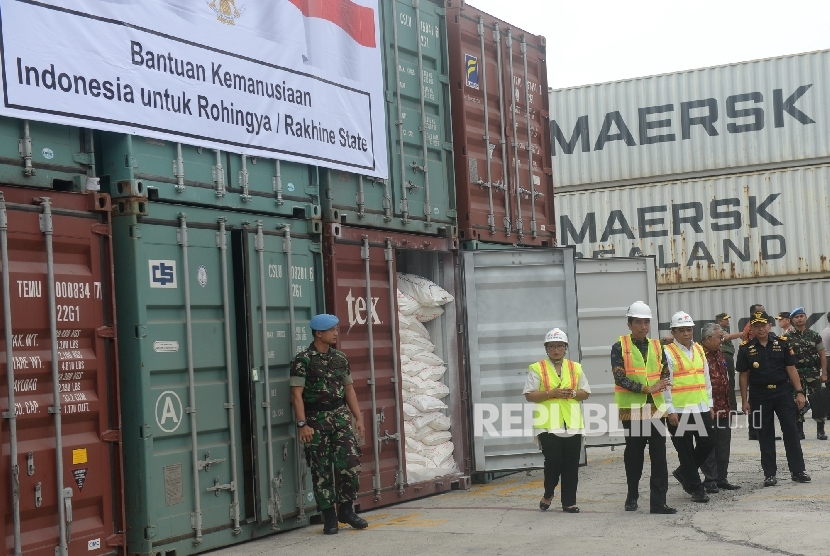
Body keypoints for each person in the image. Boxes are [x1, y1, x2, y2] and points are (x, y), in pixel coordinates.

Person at [289, 314, 368, 535]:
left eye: (337, 329)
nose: (336, 333)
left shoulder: (340, 358)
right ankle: (330, 517)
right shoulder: (302, 360)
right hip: (316, 421)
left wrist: (358, 417)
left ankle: (346, 510)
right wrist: (302, 424)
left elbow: (349, 389)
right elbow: (296, 395)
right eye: (332, 330)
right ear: (318, 333)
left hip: (340, 418)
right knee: (321, 470)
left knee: (350, 464)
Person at [611, 301, 675, 514]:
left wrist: (663, 383)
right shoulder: (620, 346)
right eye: (638, 322)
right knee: (635, 454)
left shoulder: (657, 346)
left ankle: (658, 502)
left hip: (655, 408)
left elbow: (665, 372)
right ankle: (632, 494)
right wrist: (647, 388)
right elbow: (619, 377)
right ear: (629, 324)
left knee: (659, 455)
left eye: (646, 322)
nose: (643, 327)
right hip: (634, 409)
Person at [737, 311, 811, 487]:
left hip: (783, 393)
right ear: (752, 328)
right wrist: (745, 400)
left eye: (764, 325)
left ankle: (798, 470)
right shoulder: (746, 348)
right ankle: (770, 474)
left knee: (791, 431)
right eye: (757, 326)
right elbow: (743, 376)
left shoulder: (782, 344)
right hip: (760, 395)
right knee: (765, 434)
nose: (761, 328)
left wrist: (799, 392)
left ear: (770, 325)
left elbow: (791, 369)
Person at [523, 328, 590, 513]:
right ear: (546, 348)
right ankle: (548, 493)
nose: (556, 350)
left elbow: (586, 392)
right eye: (552, 346)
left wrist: (574, 393)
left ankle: (569, 502)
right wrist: (549, 393)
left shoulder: (575, 368)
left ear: (565, 348)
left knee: (571, 464)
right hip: (547, 423)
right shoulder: (537, 368)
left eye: (560, 346)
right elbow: (529, 395)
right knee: (553, 461)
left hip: (572, 422)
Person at [664, 312, 715, 503]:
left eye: (689, 329)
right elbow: (666, 382)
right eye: (682, 330)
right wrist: (670, 410)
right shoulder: (668, 352)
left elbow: (706, 378)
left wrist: (709, 404)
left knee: (708, 442)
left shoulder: (699, 350)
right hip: (680, 409)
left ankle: (684, 472)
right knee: (684, 449)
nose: (686, 333)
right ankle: (696, 488)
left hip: (700, 406)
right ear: (674, 332)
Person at [700, 323, 741, 492]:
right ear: (708, 338)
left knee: (723, 444)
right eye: (719, 337)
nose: (722, 341)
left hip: (724, 406)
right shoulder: (699, 354)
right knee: (709, 445)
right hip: (708, 408)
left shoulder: (720, 354)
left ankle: (721, 477)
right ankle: (709, 480)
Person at [787, 307, 828, 440]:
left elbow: (822, 355)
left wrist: (824, 373)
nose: (799, 319)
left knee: (818, 400)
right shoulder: (787, 338)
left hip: (813, 372)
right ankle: (799, 430)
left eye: (801, 316)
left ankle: (820, 430)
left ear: (805, 318)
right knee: (797, 401)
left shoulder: (815, 335)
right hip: (796, 374)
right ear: (792, 320)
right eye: (796, 317)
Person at [716, 313, 741, 413]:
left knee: (729, 380)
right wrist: (742, 333)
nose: (728, 321)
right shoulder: (720, 330)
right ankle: (732, 407)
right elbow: (727, 337)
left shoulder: (724, 329)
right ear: (719, 321)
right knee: (729, 380)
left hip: (727, 355)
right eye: (725, 319)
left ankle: (730, 406)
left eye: (728, 319)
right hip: (725, 355)